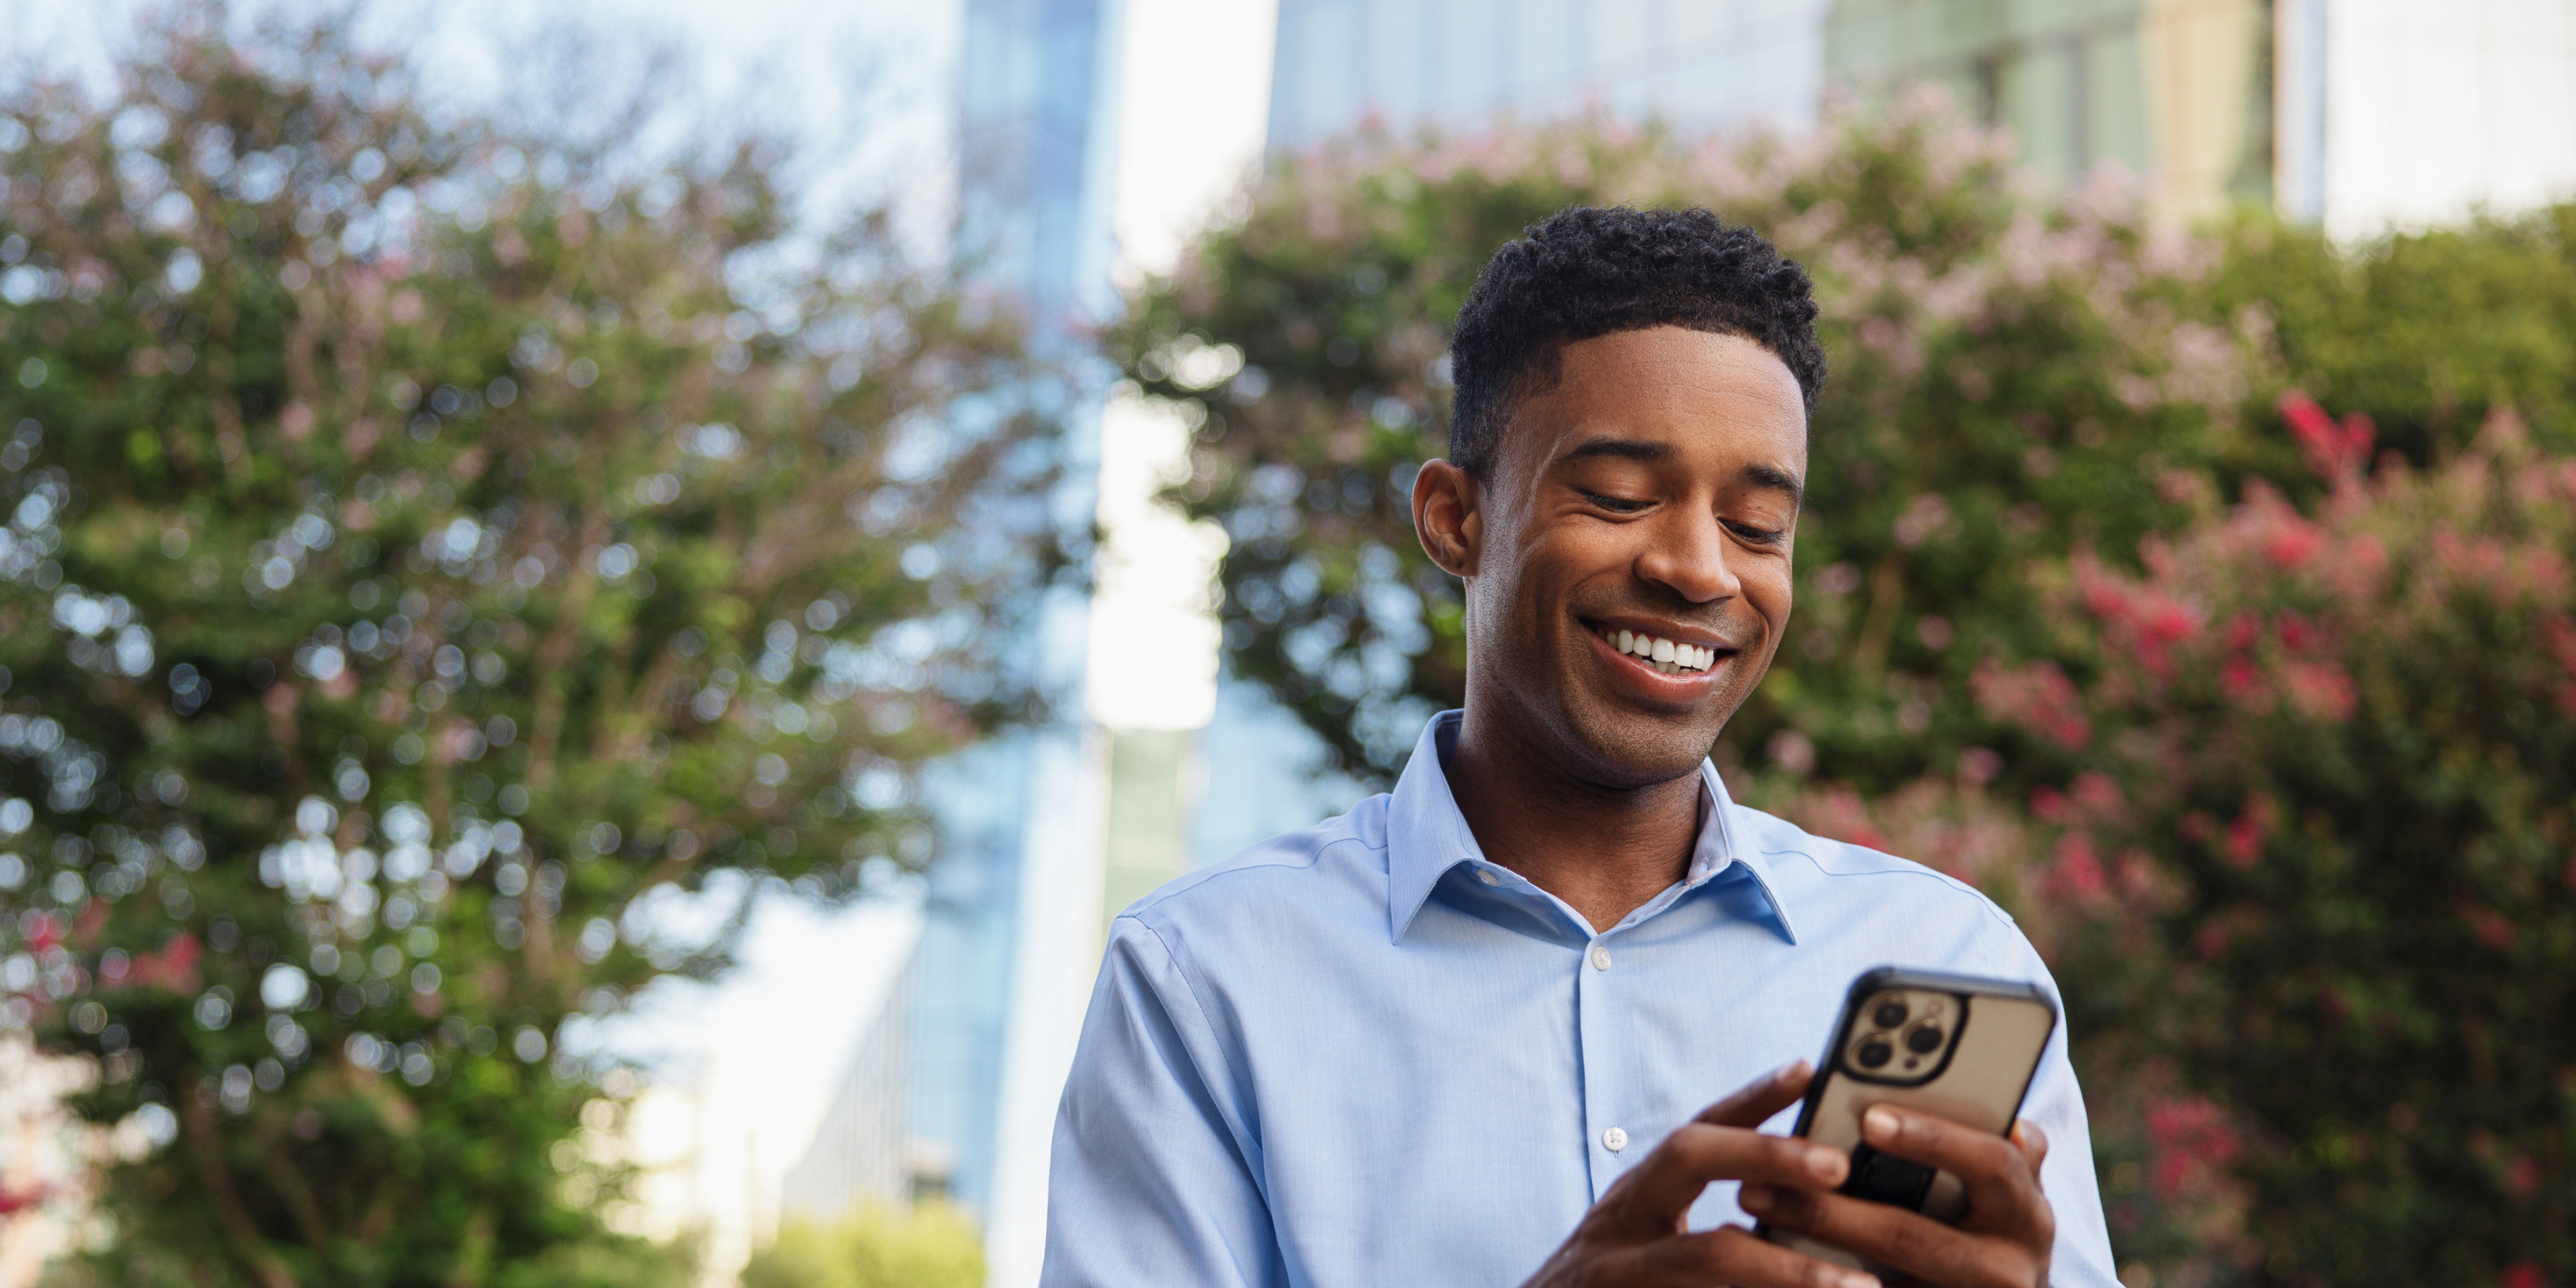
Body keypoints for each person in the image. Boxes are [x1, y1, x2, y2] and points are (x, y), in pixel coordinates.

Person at [1041, 207, 2117, 1288]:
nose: (1700, 570)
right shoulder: (1206, 978)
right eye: (1616, 497)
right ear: (1455, 519)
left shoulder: (1952, 957)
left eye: (1756, 525)